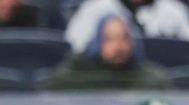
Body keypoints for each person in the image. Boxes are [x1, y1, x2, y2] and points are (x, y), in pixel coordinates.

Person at [64, 0, 189, 72]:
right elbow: (73, 49)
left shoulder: (174, 10)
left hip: (164, 87)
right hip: (108, 81)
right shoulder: (95, 8)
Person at [43, 15, 172, 91]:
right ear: (97, 43)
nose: (118, 47)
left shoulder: (152, 77)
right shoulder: (75, 74)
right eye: (110, 39)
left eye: (124, 39)